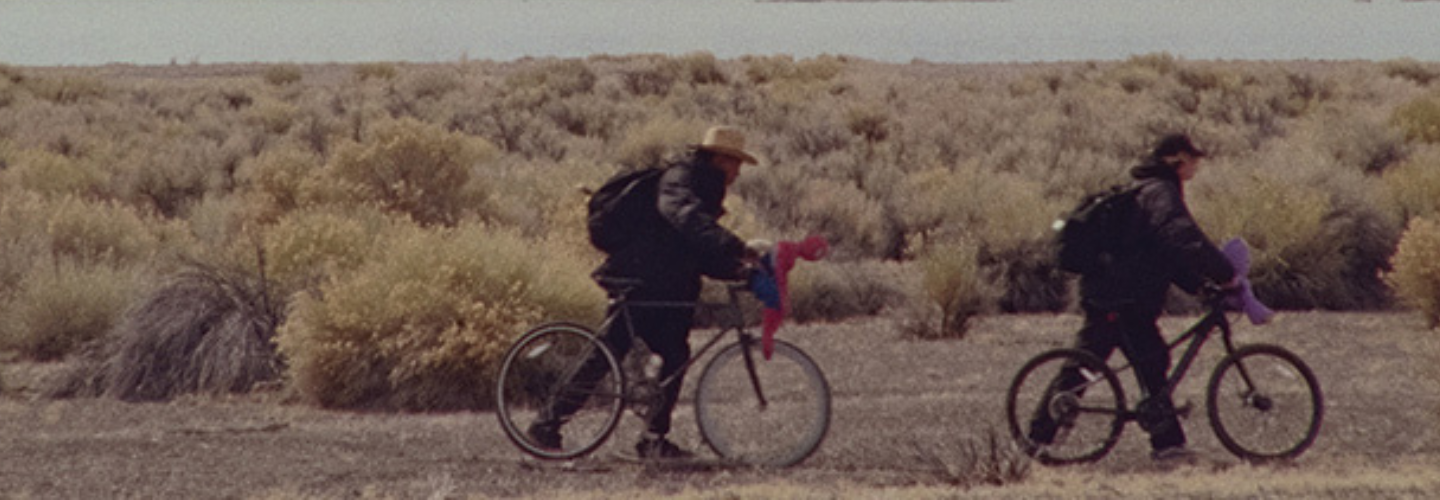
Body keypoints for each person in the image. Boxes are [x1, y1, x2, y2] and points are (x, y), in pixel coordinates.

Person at [528, 125, 761, 459]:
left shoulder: (704, 187)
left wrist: (740, 271)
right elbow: (683, 217)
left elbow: (693, 250)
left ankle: (653, 440)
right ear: (718, 159)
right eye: (735, 162)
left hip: (665, 286)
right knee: (604, 356)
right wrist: (737, 247)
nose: (738, 172)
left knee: (674, 358)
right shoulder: (681, 179)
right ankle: (545, 427)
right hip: (640, 282)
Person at [1030, 133, 1236, 462]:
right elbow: (1179, 234)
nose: (1196, 165)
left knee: (1149, 360)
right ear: (1175, 160)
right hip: (1120, 298)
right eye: (1192, 159)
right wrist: (1224, 271)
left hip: (1119, 295)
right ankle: (1039, 439)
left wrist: (1200, 285)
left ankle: (1168, 444)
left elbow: (1163, 254)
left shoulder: (1150, 189)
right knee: (1091, 365)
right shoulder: (1160, 192)